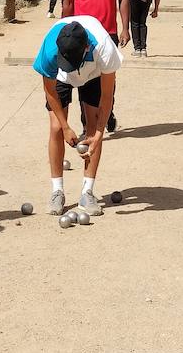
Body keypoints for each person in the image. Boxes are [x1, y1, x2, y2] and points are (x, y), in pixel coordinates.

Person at [32, 15, 122, 217]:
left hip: (94, 75)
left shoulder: (104, 48)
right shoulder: (49, 48)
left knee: (92, 127)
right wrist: (65, 126)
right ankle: (57, 191)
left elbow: (107, 97)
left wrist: (100, 132)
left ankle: (87, 192)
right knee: (55, 128)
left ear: (87, 48)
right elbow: (50, 91)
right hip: (61, 79)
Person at [63, 0, 129, 133]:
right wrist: (64, 30)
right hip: (84, 35)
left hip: (108, 32)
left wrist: (125, 28)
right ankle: (87, 124)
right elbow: (68, 2)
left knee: (108, 77)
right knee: (85, 78)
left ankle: (107, 112)